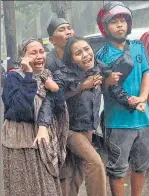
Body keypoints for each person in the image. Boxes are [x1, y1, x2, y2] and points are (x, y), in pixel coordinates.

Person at [37, 36, 115, 196]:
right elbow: (51, 99)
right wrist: (43, 126)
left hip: (88, 129)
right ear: (71, 59)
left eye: (87, 49)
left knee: (76, 173)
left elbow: (108, 75)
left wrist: (111, 79)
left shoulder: (99, 66)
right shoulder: (62, 74)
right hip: (68, 129)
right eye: (78, 53)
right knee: (96, 163)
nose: (85, 54)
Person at [2, 39, 68, 196]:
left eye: (41, 51)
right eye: (33, 53)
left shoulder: (48, 75)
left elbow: (58, 108)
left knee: (48, 186)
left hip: (45, 137)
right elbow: (19, 109)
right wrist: (29, 75)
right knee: (25, 186)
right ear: (22, 58)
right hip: (21, 140)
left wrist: (56, 90)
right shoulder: (14, 77)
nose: (39, 55)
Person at [96, 1, 149, 196]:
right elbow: (100, 87)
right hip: (118, 123)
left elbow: (146, 73)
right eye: (114, 22)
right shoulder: (100, 55)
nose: (120, 25)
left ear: (129, 24)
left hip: (143, 120)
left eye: (123, 21)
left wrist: (142, 97)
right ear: (105, 26)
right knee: (117, 169)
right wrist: (107, 80)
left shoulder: (137, 47)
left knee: (141, 166)